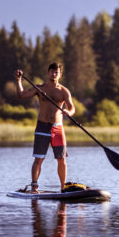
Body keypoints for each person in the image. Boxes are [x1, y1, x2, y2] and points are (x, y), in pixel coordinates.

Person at [14, 62, 74, 191]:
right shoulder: (39, 88)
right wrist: (19, 80)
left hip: (58, 128)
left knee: (61, 159)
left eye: (56, 72)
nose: (54, 74)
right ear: (48, 73)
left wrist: (68, 112)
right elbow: (22, 95)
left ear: (60, 74)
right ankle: (34, 186)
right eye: (52, 71)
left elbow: (72, 108)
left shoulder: (64, 91)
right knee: (39, 159)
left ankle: (63, 188)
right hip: (42, 127)